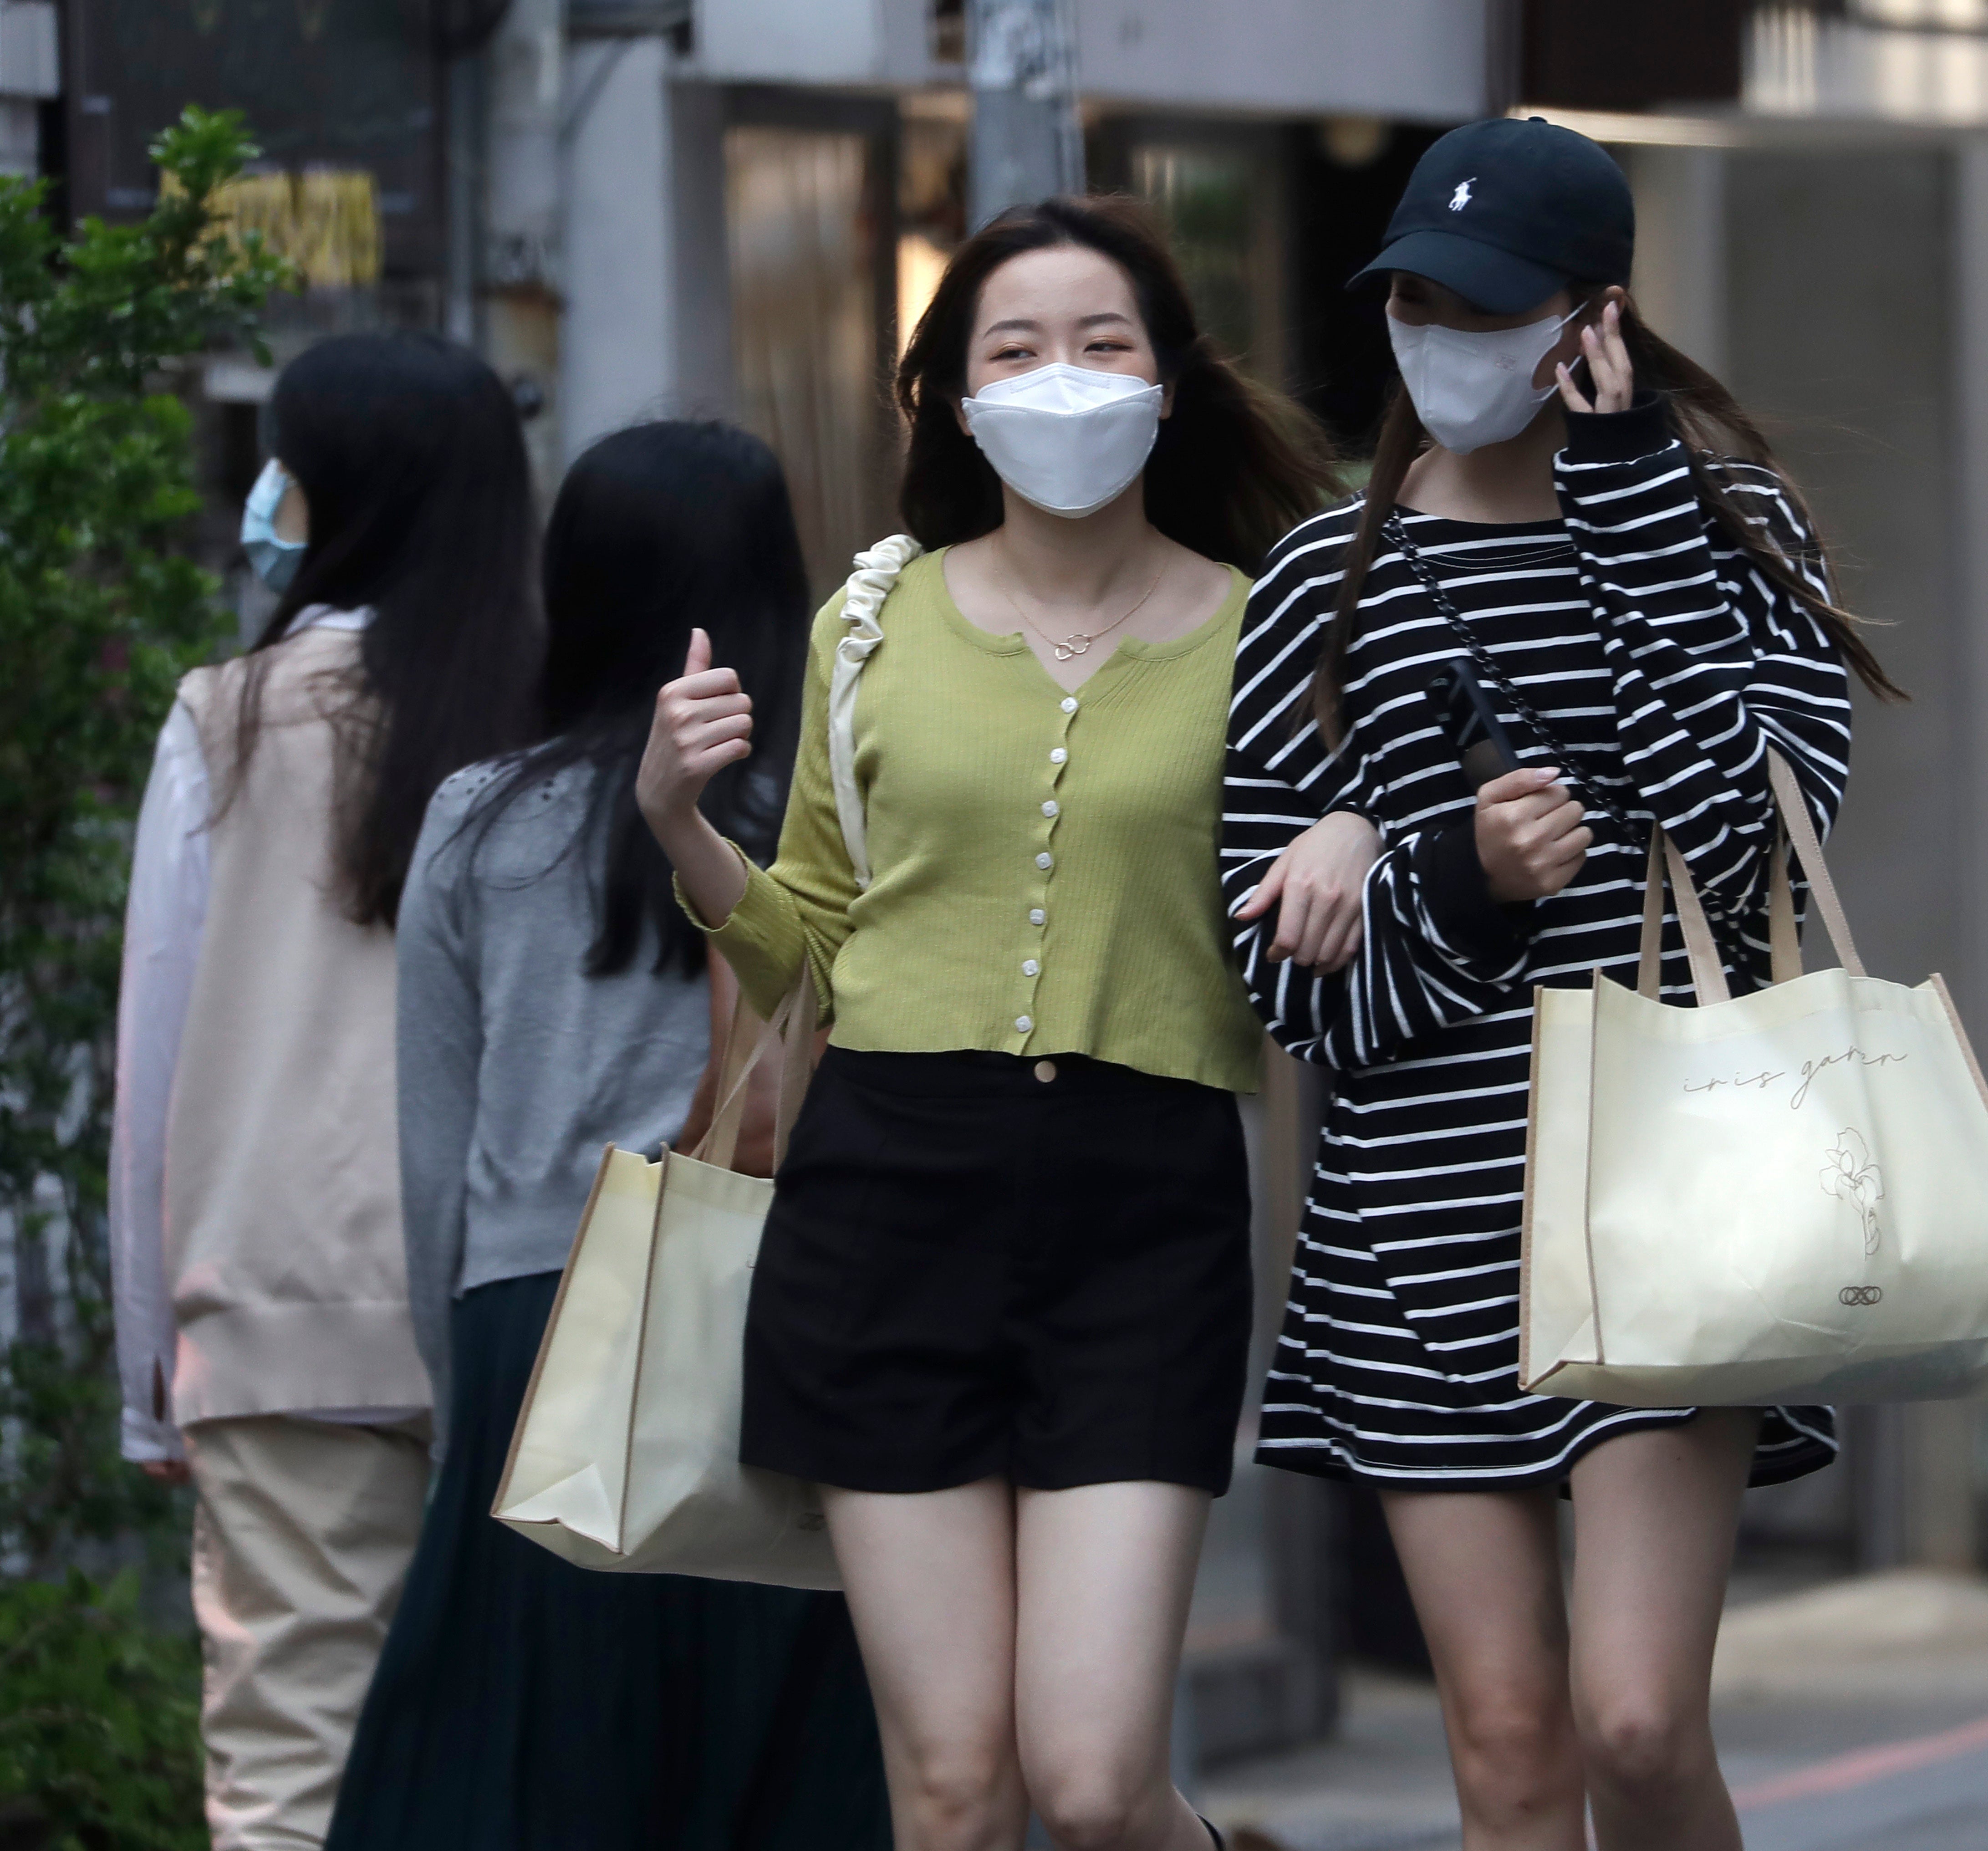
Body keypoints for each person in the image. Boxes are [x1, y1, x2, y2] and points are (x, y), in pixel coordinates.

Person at [638, 196, 1356, 1851]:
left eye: (1103, 343)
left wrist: (1358, 829)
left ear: (1168, 384)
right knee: (953, 1789)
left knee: (1098, 1785)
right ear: (956, 400)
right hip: (886, 1195)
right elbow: (810, 938)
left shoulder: (1273, 630)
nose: (1063, 378)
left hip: (1147, 1198)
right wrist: (681, 824)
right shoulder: (872, 625)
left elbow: (1367, 828)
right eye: (1015, 348)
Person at [1224, 118, 1893, 1851]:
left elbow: (1745, 834)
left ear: (1595, 316)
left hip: (1677, 1193)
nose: (1443, 334)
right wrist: (1453, 870)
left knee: (1639, 1721)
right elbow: (1283, 990)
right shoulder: (1324, 578)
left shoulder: (1734, 532)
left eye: (1488, 303)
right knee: (1512, 1746)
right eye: (1415, 299)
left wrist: (1630, 502)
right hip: (1418, 1223)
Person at [323, 422, 890, 1847]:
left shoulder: (474, 821)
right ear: (779, 588)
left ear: (573, 586)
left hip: (537, 1325)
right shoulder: (827, 829)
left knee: (520, 1783)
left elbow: (433, 1143)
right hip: (780, 1322)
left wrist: (463, 1406)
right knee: (781, 1776)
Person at [109, 331, 541, 1848]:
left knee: (291, 1772)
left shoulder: (227, 717)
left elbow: (156, 1049)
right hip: (526, 1313)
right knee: (521, 1764)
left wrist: (146, 1352)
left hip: (278, 1301)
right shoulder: (560, 719)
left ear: (332, 491)